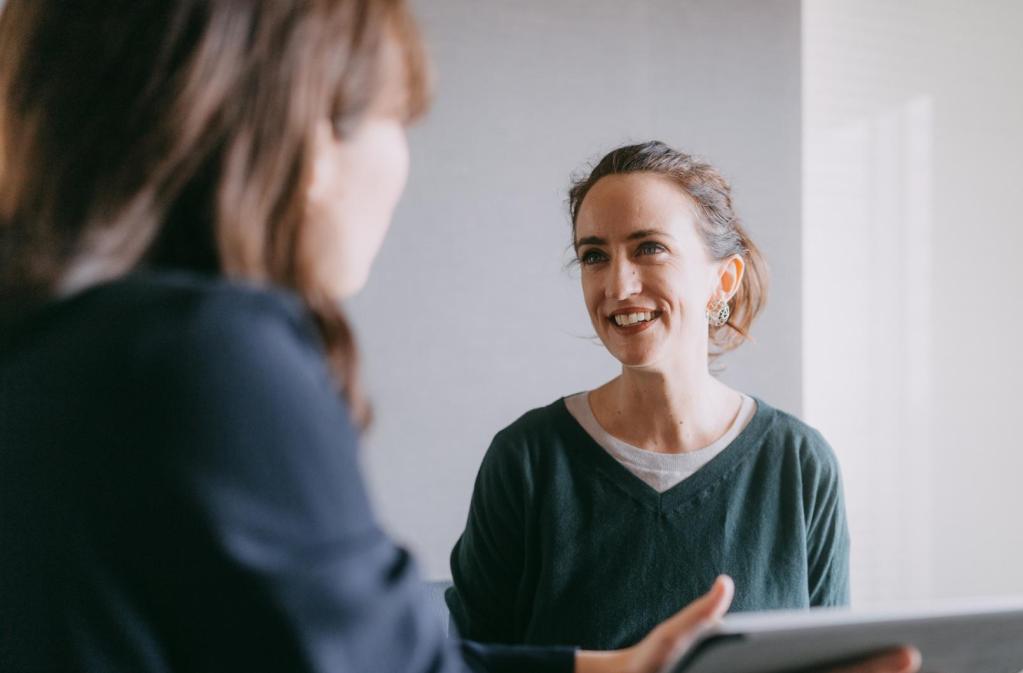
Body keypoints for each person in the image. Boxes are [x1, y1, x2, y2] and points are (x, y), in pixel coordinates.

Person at [0, 2, 917, 672]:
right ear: (307, 138)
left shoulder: (58, 345)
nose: (400, 166)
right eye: (395, 120)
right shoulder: (212, 358)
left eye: (648, 249)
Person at [447, 142, 850, 651]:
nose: (617, 285)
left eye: (649, 248)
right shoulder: (526, 460)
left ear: (722, 280)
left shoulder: (799, 463)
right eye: (594, 256)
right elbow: (463, 663)